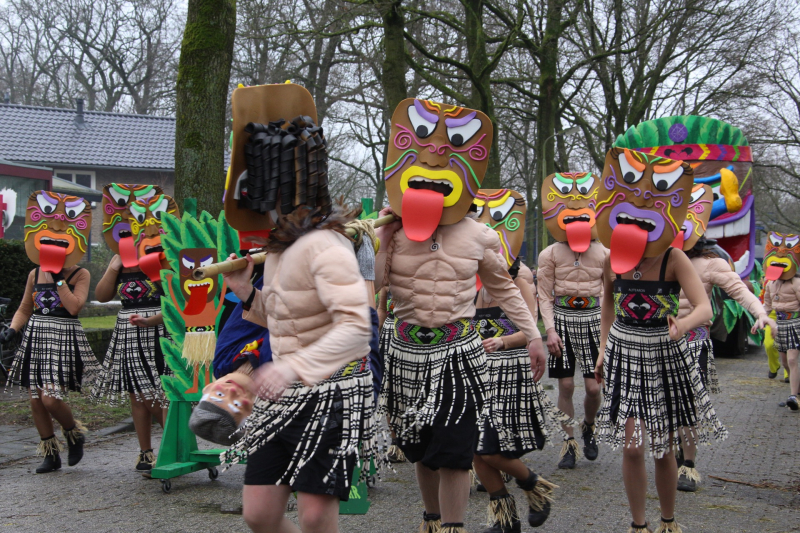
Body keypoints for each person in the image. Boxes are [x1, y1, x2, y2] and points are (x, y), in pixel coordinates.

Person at [376, 98, 543, 533]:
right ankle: (431, 519)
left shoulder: (479, 235)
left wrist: (536, 336)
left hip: (458, 354)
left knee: (453, 447)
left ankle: (453, 526)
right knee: (418, 447)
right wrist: (382, 239)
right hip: (406, 350)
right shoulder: (390, 231)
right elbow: (375, 287)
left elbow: (505, 287)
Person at [218, 86, 377, 533]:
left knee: (313, 516)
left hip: (332, 396)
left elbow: (356, 329)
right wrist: (247, 293)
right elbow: (288, 316)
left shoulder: (327, 246)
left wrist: (291, 369)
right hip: (283, 397)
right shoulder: (276, 250)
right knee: (260, 514)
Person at [593, 147, 726, 533]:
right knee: (632, 446)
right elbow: (607, 305)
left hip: (665, 354)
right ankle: (639, 524)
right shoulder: (610, 258)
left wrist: (681, 328)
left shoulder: (674, 258)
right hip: (624, 350)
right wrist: (603, 349)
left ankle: (668, 521)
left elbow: (704, 309)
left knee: (662, 448)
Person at [672, 185, 775, 491]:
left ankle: (687, 465)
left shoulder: (711, 262)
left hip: (693, 343)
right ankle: (670, 455)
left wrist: (760, 312)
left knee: (688, 405)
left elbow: (739, 289)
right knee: (665, 405)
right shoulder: (652, 259)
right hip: (658, 344)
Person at [472, 250, 569, 532]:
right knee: (476, 450)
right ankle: (506, 518)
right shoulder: (475, 287)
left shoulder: (521, 284)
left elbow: (530, 329)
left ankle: (535, 485)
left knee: (489, 450)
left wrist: (502, 342)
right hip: (480, 373)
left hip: (511, 371)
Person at [3, 191, 100, 473]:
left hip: (62, 339)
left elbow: (74, 307)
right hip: (37, 336)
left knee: (50, 398)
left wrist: (59, 279)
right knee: (35, 400)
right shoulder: (34, 273)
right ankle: (50, 451)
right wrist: (12, 328)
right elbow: (24, 307)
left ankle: (73, 432)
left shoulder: (79, 275)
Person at [91, 192, 180, 472]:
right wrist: (113, 267)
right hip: (128, 331)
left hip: (159, 328)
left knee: (159, 392)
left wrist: (153, 318)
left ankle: (174, 446)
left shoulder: (165, 255)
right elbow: (102, 296)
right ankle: (145, 453)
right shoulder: (123, 256)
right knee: (136, 393)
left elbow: (177, 298)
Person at [537, 171, 607, 469]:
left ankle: (588, 426)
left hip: (592, 319)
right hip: (563, 319)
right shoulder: (549, 254)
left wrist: (607, 336)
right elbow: (543, 294)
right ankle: (568, 443)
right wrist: (550, 330)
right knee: (565, 386)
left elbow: (611, 296)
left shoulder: (605, 252)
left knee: (593, 388)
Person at [761, 231, 800, 411]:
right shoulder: (769, 284)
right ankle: (797, 390)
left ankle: (793, 397)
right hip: (781, 324)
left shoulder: (797, 283)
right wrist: (758, 321)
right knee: (785, 362)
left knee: (792, 360)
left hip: (795, 323)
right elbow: (766, 307)